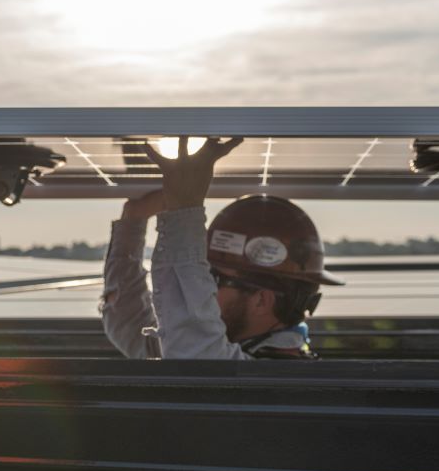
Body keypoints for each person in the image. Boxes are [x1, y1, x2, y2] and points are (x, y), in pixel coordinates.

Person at [101, 136, 343, 360]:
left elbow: (192, 347)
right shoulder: (236, 350)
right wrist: (134, 218)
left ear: (261, 301)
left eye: (213, 278)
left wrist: (184, 211)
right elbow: (131, 327)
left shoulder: (268, 380)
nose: (202, 287)